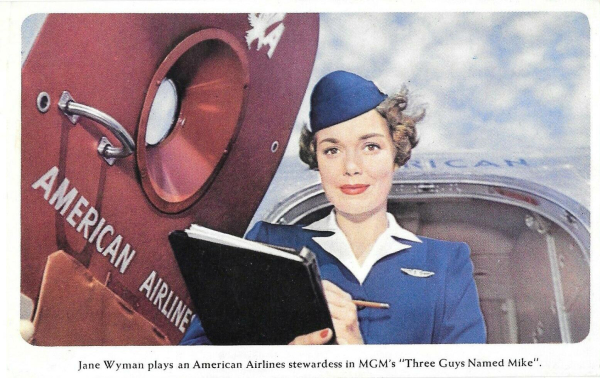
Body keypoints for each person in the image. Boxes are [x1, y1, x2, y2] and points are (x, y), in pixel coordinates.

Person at [180, 70, 486, 345]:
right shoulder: (267, 245)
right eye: (332, 149)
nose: (351, 167)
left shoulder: (446, 265)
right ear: (317, 159)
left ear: (397, 151)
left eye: (370, 146)